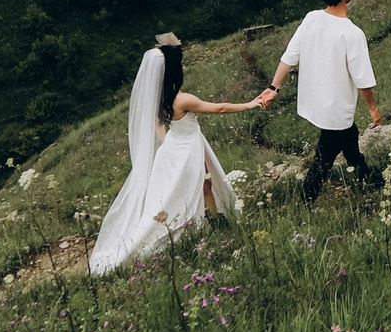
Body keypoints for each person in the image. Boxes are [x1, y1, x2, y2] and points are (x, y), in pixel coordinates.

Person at [88, 36, 265, 275]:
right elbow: (220, 108)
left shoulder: (159, 98)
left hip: (173, 149)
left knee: (181, 191)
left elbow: (156, 122)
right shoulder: (183, 99)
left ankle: (211, 220)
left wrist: (168, 143)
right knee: (198, 186)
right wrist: (251, 103)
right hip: (188, 149)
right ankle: (209, 223)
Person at [263, 0, 383, 201]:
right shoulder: (352, 33)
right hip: (335, 108)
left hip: (317, 102)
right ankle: (307, 198)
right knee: (324, 157)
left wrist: (274, 87)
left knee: (349, 140)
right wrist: (373, 108)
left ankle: (367, 177)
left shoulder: (311, 19)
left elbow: (289, 56)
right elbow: (362, 79)